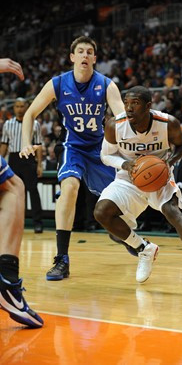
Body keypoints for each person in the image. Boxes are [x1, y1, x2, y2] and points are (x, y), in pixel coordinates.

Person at [94, 86, 182, 291]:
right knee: (102, 214)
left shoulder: (167, 123)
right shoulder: (114, 125)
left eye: (134, 103)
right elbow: (105, 156)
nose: (128, 108)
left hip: (159, 177)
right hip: (128, 178)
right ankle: (143, 248)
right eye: (126, 103)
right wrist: (125, 165)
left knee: (172, 212)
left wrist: (168, 163)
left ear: (148, 106)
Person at [19, 36, 125, 281]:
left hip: (100, 148)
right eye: (81, 51)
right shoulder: (58, 83)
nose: (85, 55)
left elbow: (121, 119)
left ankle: (123, 232)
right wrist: (26, 142)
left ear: (95, 59)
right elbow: (30, 113)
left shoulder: (107, 85)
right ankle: (62, 259)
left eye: (90, 52)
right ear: (72, 57)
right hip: (72, 146)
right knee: (69, 188)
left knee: (121, 193)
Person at [0, 58, 43, 328]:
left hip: (27, 157)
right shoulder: (7, 127)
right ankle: (6, 282)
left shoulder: (32, 125)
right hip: (13, 157)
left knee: (18, 188)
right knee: (14, 187)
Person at [0, 97, 43, 233]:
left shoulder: (34, 123)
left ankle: (38, 223)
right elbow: (4, 145)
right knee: (15, 193)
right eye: (17, 106)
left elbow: (39, 145)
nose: (19, 109)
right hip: (13, 159)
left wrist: (39, 164)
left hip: (29, 158)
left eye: (22, 106)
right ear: (14, 108)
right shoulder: (8, 124)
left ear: (26, 107)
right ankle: (17, 223)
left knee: (33, 191)